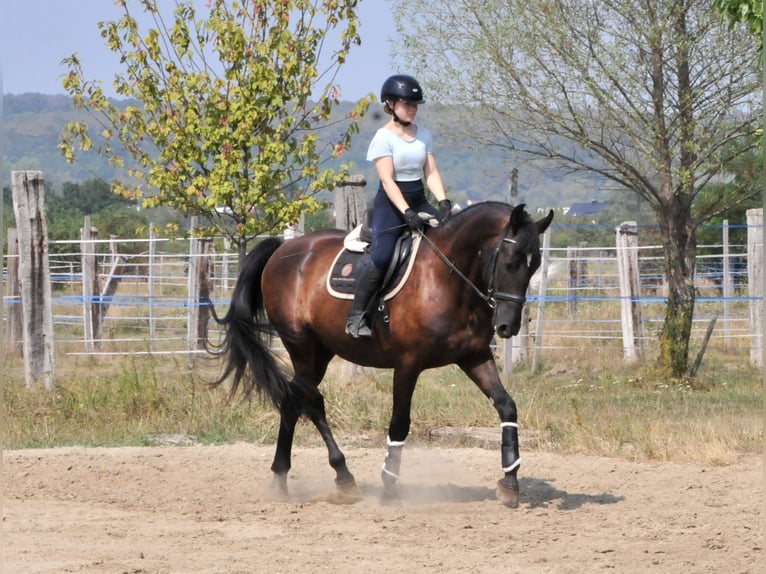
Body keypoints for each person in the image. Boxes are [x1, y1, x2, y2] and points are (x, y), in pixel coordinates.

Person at [345, 74, 452, 338]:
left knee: (450, 242)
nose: (413, 109)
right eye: (407, 104)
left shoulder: (424, 135)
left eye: (415, 104)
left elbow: (432, 173)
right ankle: (357, 315)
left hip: (419, 199)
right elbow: (387, 180)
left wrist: (443, 201)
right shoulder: (383, 138)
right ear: (390, 104)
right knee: (382, 255)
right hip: (390, 206)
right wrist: (406, 212)